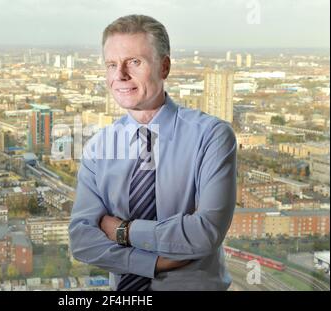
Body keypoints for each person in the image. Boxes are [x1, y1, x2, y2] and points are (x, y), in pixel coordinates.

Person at [69, 14, 237, 291]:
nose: (120, 75)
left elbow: (206, 232)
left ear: (165, 67)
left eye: (134, 62)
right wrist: (153, 262)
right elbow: (82, 241)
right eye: (112, 64)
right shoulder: (99, 146)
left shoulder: (211, 136)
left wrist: (122, 231)